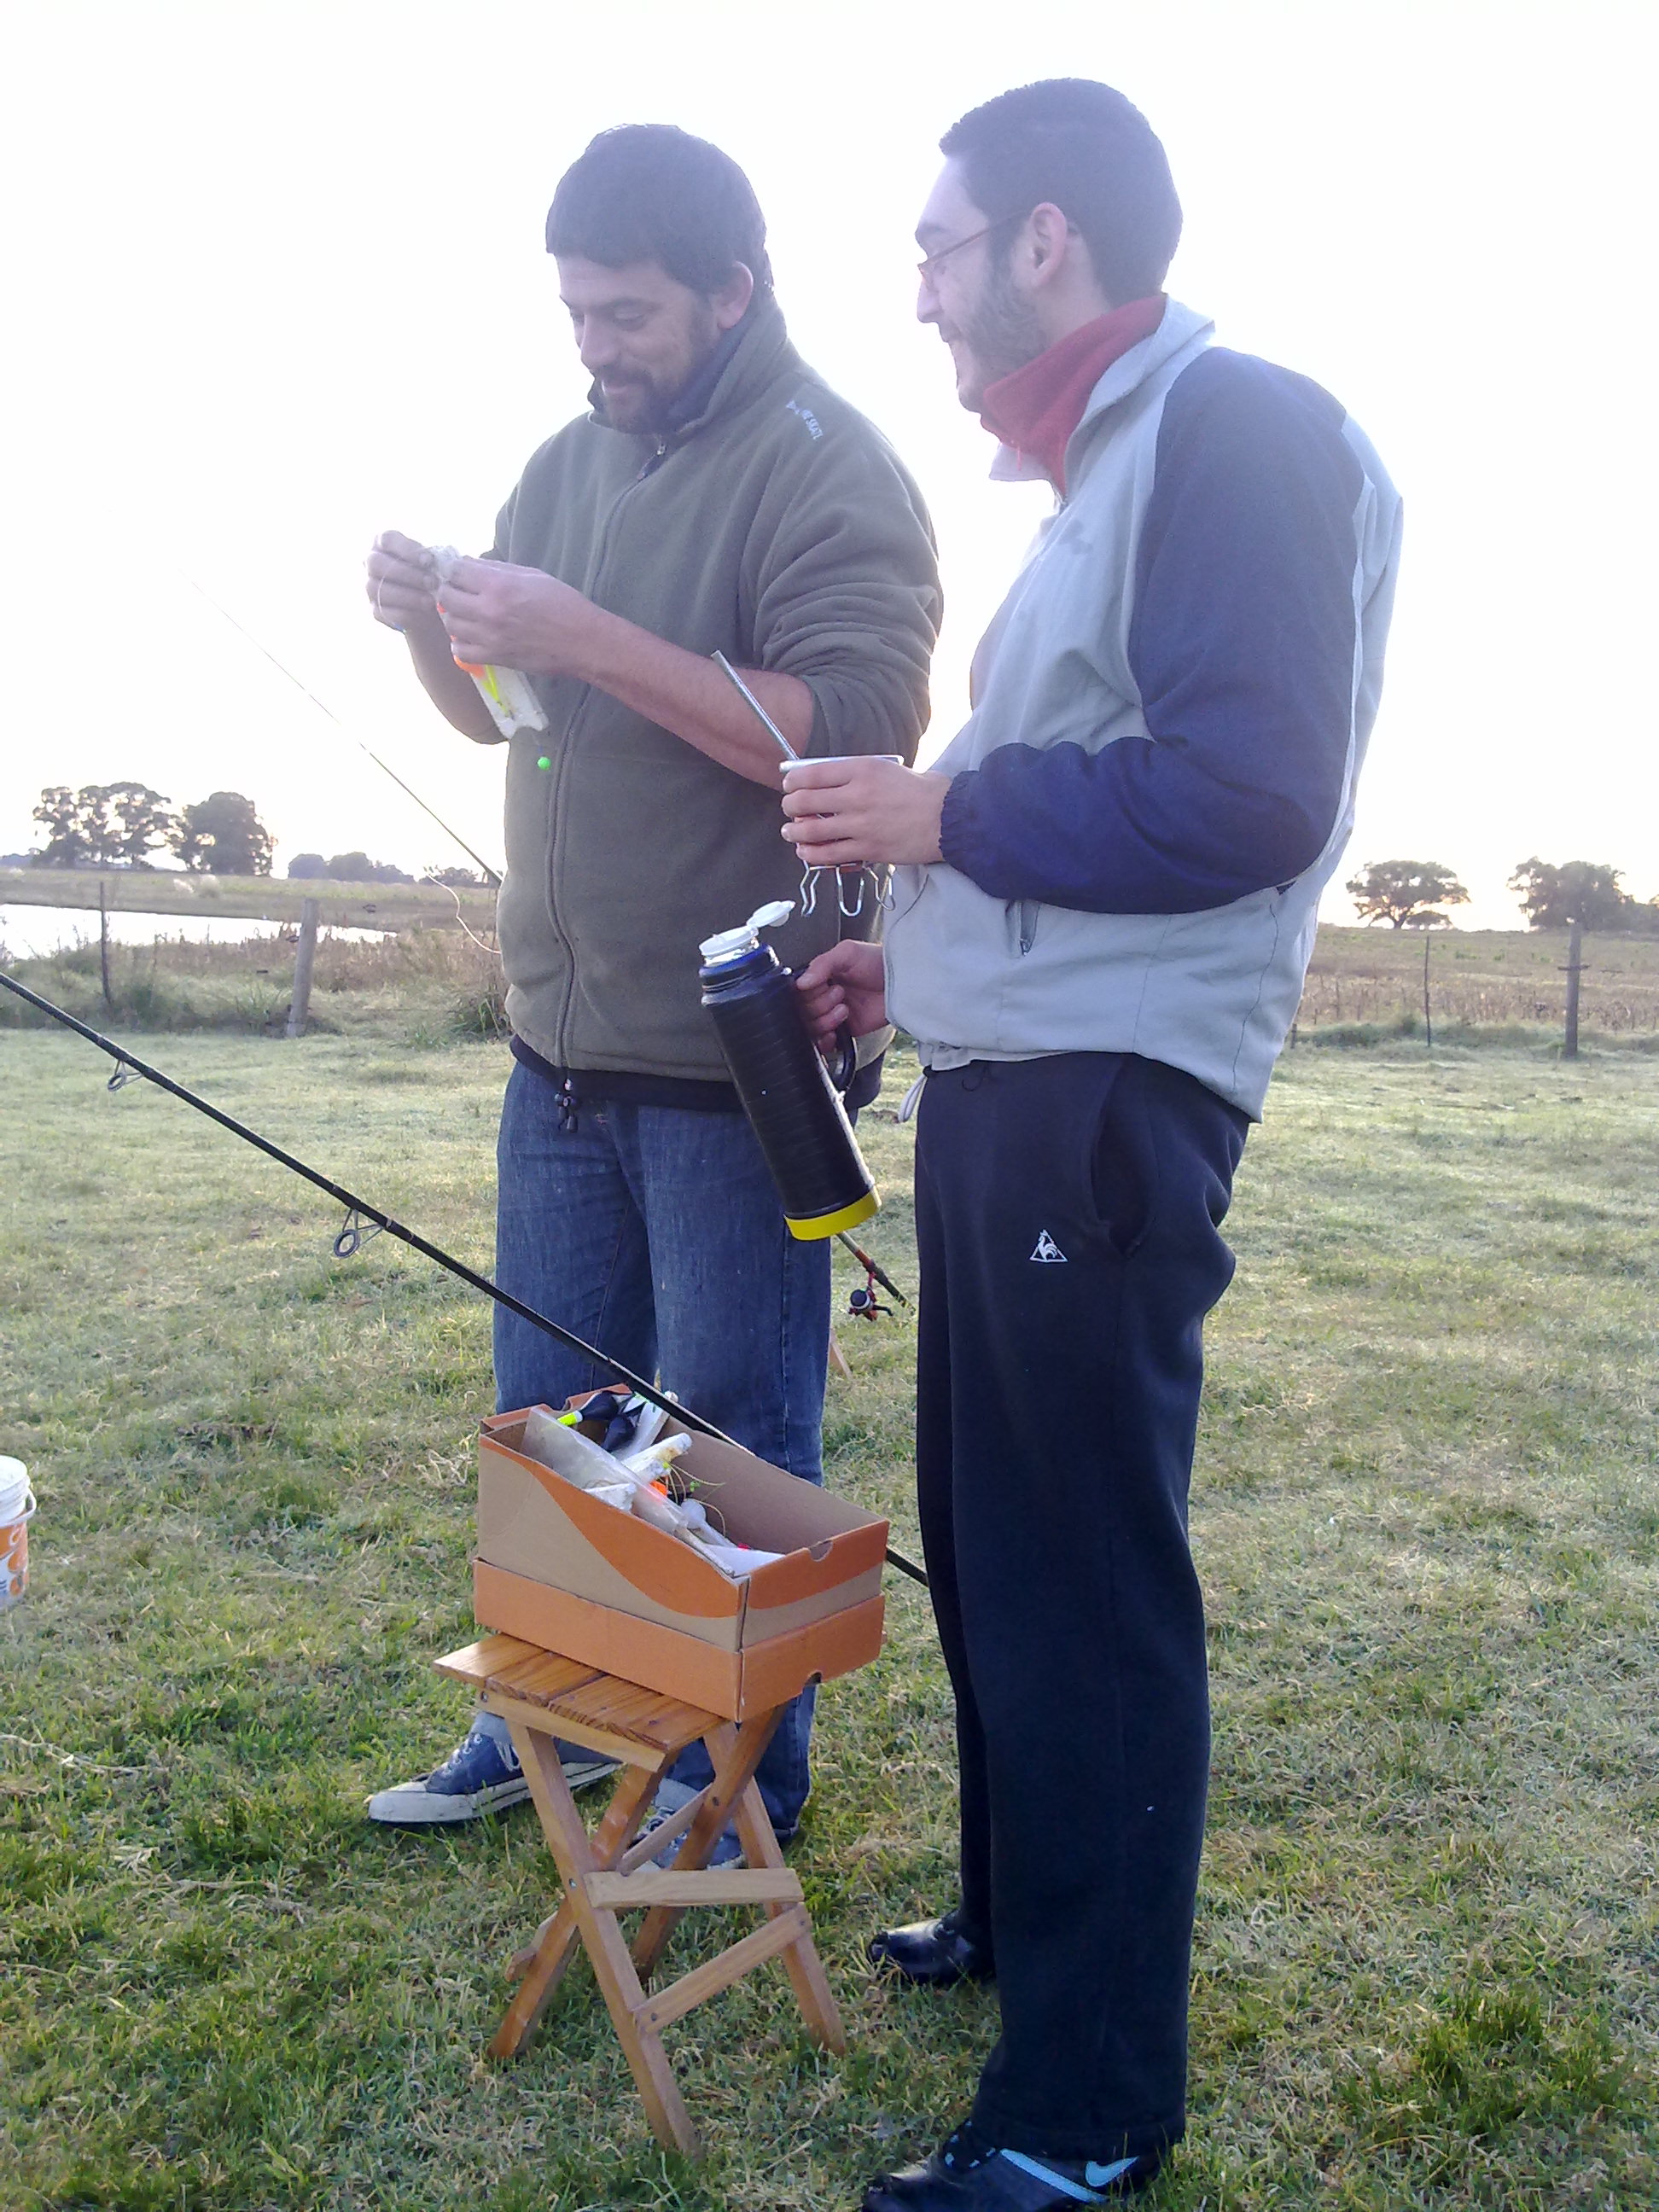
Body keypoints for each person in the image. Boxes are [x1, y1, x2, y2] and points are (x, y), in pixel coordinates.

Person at [789, 79, 1401, 2210]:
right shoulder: (1101, 482)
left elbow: (1249, 796)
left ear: (1048, 242)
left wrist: (938, 819)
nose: (926, 294)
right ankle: (1023, 1935)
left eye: (942, 249)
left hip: (1113, 1108)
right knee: (1001, 1551)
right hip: (1017, 1087)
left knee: (1084, 1595)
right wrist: (916, 966)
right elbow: (1098, 797)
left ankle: (1083, 2115)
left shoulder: (1240, 429)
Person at [362, 125, 940, 1845]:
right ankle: (549, 1723)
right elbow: (506, 711)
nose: (597, 346)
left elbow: (854, 736)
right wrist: (430, 625)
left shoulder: (830, 468)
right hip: (557, 1049)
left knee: (728, 1437)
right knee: (557, 1432)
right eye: (576, 316)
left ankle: (727, 1784)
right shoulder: (563, 462)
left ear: (731, 290)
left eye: (627, 314)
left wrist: (582, 628)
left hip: (729, 1066)